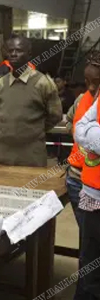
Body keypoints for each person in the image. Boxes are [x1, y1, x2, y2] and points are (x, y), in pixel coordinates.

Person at [0, 35, 62, 167]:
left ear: (29, 54)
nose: (13, 54)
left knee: (31, 186)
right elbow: (1, 114)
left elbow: (55, 115)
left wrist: (34, 130)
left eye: (18, 50)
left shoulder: (43, 83)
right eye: (10, 51)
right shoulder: (0, 83)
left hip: (31, 156)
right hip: (1, 154)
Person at [65, 50, 100, 300]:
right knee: (88, 248)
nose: (91, 88)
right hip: (79, 180)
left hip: (94, 185)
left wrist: (85, 135)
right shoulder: (82, 100)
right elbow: (71, 124)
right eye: (88, 82)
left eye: (96, 83)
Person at [74, 88, 100, 300]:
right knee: (90, 267)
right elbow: (80, 130)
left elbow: (88, 133)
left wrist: (92, 132)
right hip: (94, 197)